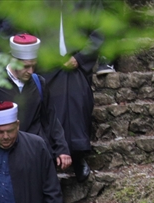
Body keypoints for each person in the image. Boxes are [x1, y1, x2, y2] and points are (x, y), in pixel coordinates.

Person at [0, 33, 72, 170]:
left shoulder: (39, 83)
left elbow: (50, 119)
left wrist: (62, 148)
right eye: (25, 66)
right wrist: (1, 139)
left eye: (33, 66)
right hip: (1, 155)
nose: (30, 71)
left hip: (34, 153)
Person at [42, 3, 103, 182]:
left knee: (78, 95)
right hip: (46, 63)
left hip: (76, 62)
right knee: (46, 99)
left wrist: (80, 57)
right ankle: (51, 154)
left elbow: (98, 32)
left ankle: (77, 153)